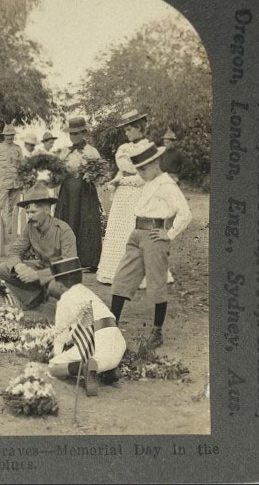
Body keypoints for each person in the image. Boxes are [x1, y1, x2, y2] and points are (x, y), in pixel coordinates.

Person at [109, 141, 191, 348]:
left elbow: (185, 213)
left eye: (144, 168)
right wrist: (116, 182)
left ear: (156, 163)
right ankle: (112, 326)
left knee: (156, 284)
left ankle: (157, 331)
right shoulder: (147, 179)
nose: (141, 173)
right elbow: (133, 179)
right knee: (121, 279)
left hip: (155, 236)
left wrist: (169, 234)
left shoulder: (166, 185)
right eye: (138, 169)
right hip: (136, 234)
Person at [47, 256, 126, 396]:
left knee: (53, 367)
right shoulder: (87, 292)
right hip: (118, 342)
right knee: (103, 356)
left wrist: (57, 354)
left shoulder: (65, 299)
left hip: (96, 343)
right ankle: (108, 369)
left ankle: (83, 367)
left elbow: (61, 335)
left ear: (59, 285)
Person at [0, 182, 77, 310]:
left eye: (33, 212)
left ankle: (61, 305)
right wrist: (19, 266)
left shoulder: (64, 230)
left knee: (55, 287)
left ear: (47, 210)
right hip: (41, 266)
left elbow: (69, 265)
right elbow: (15, 251)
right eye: (27, 212)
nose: (30, 216)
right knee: (3, 270)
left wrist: (38, 275)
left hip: (62, 274)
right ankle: (32, 298)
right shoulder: (30, 227)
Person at [97, 110, 149, 285]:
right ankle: (112, 272)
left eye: (129, 129)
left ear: (139, 128)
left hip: (137, 195)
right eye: (125, 130)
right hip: (122, 197)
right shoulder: (123, 148)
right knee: (116, 232)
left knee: (131, 231)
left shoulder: (148, 148)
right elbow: (121, 171)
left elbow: (145, 177)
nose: (126, 133)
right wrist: (115, 181)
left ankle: (134, 274)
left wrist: (124, 181)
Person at [55, 115, 103, 271]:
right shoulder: (64, 152)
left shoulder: (91, 151)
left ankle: (87, 260)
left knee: (86, 222)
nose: (73, 137)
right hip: (67, 192)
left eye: (76, 133)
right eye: (71, 134)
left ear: (84, 133)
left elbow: (98, 173)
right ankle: (66, 257)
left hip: (85, 192)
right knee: (67, 220)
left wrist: (90, 176)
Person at [0, 123, 23, 236]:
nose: (10, 137)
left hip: (16, 183)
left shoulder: (18, 149)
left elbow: (22, 165)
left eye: (12, 135)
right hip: (3, 182)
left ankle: (11, 231)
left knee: (14, 209)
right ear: (4, 136)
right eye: (8, 135)